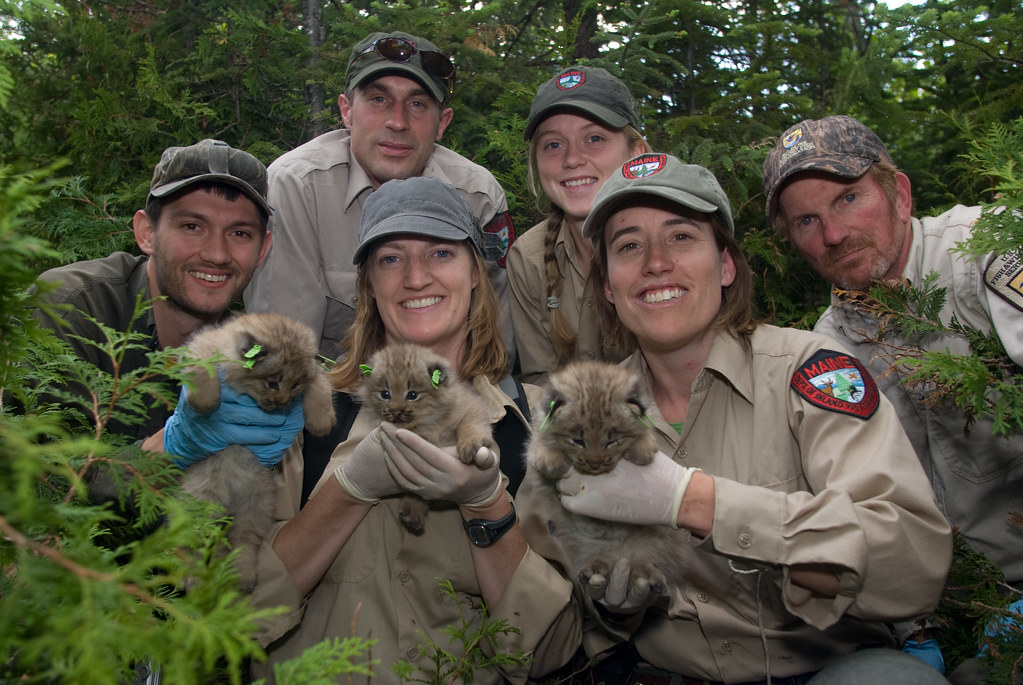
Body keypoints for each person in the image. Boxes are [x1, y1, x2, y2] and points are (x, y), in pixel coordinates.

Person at [516, 152, 953, 684]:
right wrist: (613, 608)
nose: (656, 262)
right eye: (628, 245)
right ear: (608, 284)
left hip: (824, 670)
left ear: (725, 265)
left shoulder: (808, 372)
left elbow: (911, 566)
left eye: (681, 237)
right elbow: (543, 635)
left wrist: (694, 500)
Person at [248, 176, 580, 684]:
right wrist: (348, 491)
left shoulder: (535, 427)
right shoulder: (303, 416)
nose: (416, 277)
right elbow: (237, 615)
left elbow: (554, 650)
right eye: (390, 258)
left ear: (475, 273)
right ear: (369, 285)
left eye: (441, 254)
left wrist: (487, 506)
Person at [763, 115, 1023, 588]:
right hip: (942, 609)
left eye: (848, 198)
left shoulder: (985, 253)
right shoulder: (828, 350)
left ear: (899, 196)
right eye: (806, 220)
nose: (833, 234)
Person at [32, 139, 303, 478]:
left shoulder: (251, 353)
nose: (217, 254)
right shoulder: (71, 310)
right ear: (147, 233)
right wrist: (175, 448)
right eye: (192, 226)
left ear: (263, 250)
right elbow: (44, 484)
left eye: (239, 233)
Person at [244, 30, 517, 365]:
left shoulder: (477, 196)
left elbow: (493, 346)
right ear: (346, 111)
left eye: (417, 104)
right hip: (331, 399)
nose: (398, 122)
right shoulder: (297, 187)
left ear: (442, 123)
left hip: (452, 396)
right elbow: (283, 355)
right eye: (378, 99)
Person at [507, 65, 649, 384]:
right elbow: (542, 384)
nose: (572, 159)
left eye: (594, 138)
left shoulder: (672, 248)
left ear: (635, 153)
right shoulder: (529, 259)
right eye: (554, 145)